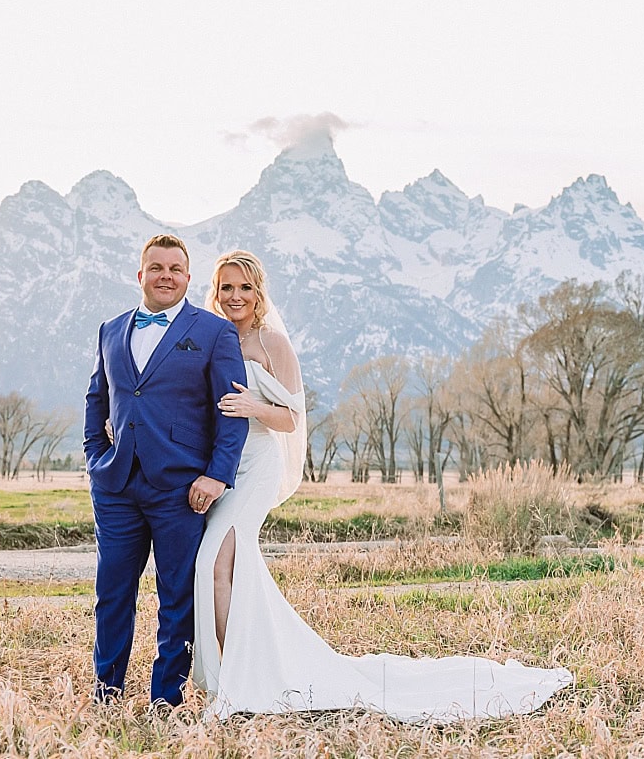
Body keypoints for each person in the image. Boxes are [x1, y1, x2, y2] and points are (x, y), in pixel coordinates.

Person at [192, 249, 573, 722]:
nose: (235, 296)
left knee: (215, 561)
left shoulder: (273, 344)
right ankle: (252, 665)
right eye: (226, 287)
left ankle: (236, 678)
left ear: (258, 292)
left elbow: (292, 418)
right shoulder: (211, 337)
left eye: (244, 287)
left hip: (258, 461)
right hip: (224, 462)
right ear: (215, 290)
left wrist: (253, 408)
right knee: (232, 567)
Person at [84, 233, 249, 707]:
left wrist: (217, 475)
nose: (166, 276)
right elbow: (98, 398)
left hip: (182, 488)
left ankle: (165, 701)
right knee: (111, 592)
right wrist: (96, 457)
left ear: (188, 278)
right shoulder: (111, 329)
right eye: (157, 268)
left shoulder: (214, 332)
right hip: (116, 485)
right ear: (141, 275)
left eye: (176, 269)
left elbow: (231, 409)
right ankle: (106, 692)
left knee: (177, 598)